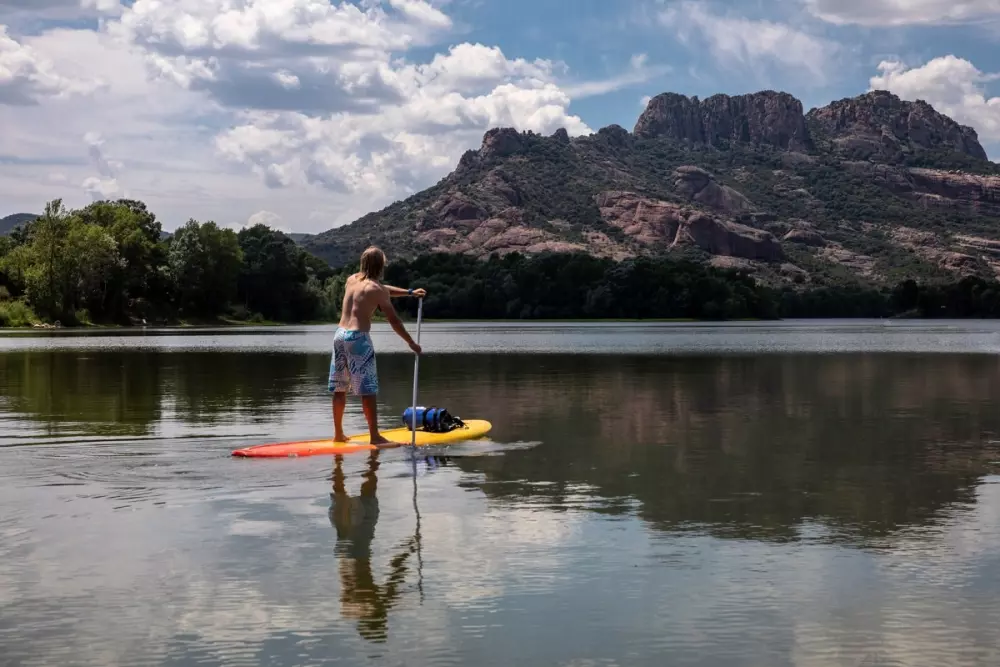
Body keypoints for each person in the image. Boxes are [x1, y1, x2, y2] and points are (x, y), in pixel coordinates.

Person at [330, 246, 425, 446]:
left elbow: (383, 289)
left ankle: (338, 434)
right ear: (381, 265)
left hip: (339, 335)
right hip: (358, 339)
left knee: (340, 388)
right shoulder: (377, 290)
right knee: (368, 390)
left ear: (363, 263)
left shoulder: (351, 280)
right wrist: (411, 343)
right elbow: (395, 321)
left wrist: (409, 292)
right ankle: (375, 437)